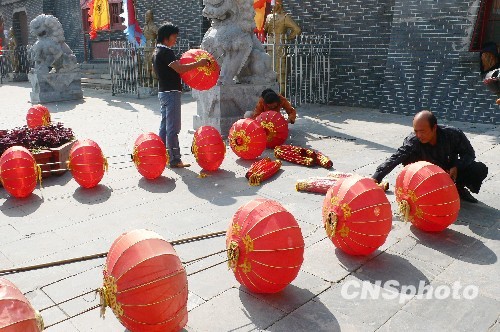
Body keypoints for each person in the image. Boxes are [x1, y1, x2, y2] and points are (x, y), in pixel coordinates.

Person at [371, 110, 488, 203]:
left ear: (434, 128)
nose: (419, 135)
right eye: (416, 131)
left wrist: (456, 166)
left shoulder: (452, 135)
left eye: (422, 131)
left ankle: (458, 188)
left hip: (450, 172)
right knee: (406, 156)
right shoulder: (413, 140)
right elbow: (396, 157)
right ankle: (427, 191)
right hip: (427, 176)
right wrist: (376, 177)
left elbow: (469, 153)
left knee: (479, 168)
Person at [153, 23, 210, 168]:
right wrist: (199, 63)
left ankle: (163, 155)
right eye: (174, 36)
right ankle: (175, 159)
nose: (175, 39)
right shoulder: (166, 52)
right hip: (171, 93)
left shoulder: (157, 51)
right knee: (173, 128)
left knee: (164, 126)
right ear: (166, 37)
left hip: (163, 92)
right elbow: (179, 69)